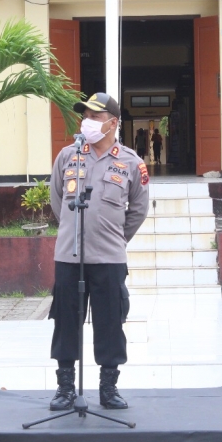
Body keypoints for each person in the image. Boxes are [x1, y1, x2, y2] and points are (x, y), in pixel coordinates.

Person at [48, 92, 150, 411]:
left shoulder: (132, 162)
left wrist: (113, 238)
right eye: (86, 116)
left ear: (113, 123)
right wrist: (73, 229)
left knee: (109, 323)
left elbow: (138, 209)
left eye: (95, 117)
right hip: (69, 256)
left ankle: (108, 388)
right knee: (65, 321)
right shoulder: (67, 156)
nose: (88, 122)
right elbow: (56, 201)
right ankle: (65, 388)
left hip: (108, 259)